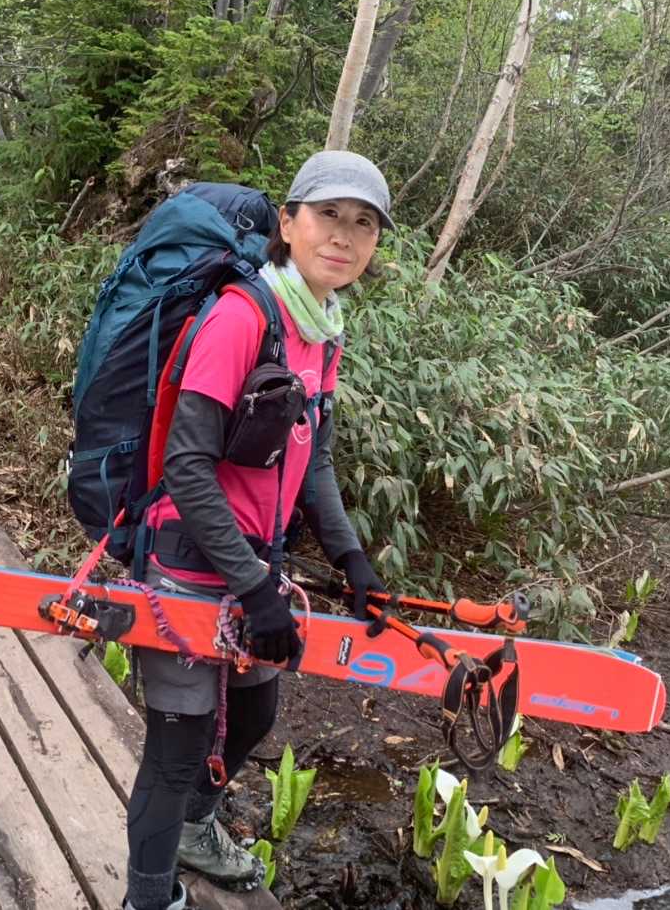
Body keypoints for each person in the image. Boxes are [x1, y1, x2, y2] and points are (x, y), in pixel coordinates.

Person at [123, 151, 393, 910]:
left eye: (363, 224)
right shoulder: (243, 316)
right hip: (189, 562)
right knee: (177, 749)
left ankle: (194, 827)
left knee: (254, 711)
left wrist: (352, 558)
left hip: (255, 568)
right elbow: (186, 466)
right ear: (289, 222)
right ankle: (148, 899)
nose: (343, 236)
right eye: (327, 215)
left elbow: (313, 459)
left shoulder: (322, 329)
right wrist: (251, 585)